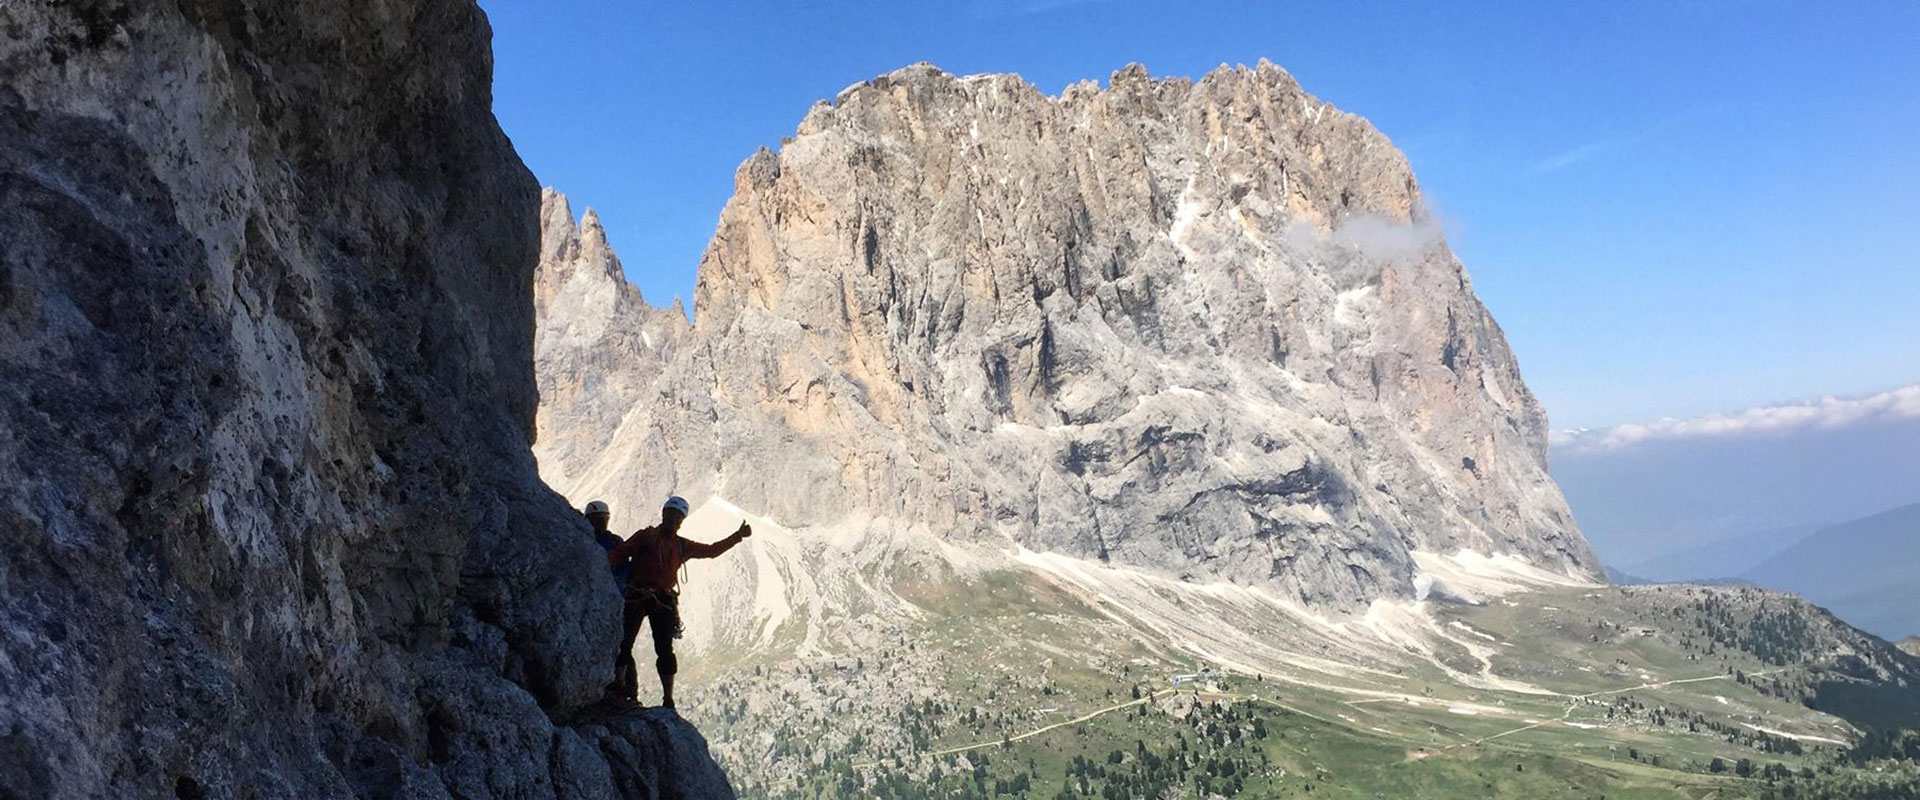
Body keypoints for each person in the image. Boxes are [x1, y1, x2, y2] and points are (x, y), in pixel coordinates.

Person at [603, 495, 751, 707]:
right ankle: (624, 687)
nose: (673, 520)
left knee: (660, 649)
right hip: (645, 596)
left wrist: (737, 536)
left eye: (677, 517)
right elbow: (620, 553)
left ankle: (666, 698)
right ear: (664, 515)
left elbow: (711, 551)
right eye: (671, 515)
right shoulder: (652, 538)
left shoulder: (669, 542)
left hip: (653, 598)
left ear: (681, 521)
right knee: (626, 642)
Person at [584, 500, 638, 693]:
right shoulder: (585, 539)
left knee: (623, 645)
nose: (602, 523)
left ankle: (626, 690)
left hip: (615, 599)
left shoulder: (615, 542)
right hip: (599, 599)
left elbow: (625, 569)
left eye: (604, 519)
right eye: (598, 519)